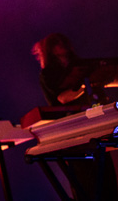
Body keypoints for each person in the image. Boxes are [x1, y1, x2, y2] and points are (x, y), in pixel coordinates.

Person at [31, 33, 118, 200]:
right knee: (85, 175)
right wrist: (85, 85)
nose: (62, 45)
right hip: (73, 128)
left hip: (93, 124)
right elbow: (61, 98)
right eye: (57, 43)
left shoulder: (81, 66)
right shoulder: (49, 73)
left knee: (104, 171)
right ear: (50, 49)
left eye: (63, 41)